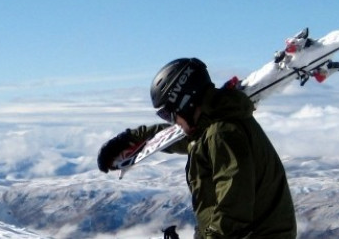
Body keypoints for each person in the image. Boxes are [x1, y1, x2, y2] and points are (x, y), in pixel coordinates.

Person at [96, 58, 296, 239]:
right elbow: (180, 139)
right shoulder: (214, 126)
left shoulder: (223, 133)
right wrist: (131, 139)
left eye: (168, 113)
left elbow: (233, 206)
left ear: (186, 102)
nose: (172, 121)